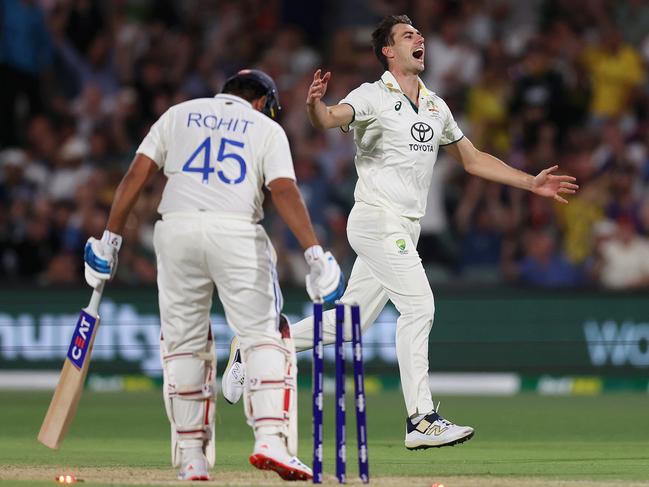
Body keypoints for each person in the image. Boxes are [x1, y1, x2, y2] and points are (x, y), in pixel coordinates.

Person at [222, 15, 578, 450]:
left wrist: (530, 182)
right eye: (408, 35)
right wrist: (315, 105)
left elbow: (472, 158)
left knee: (347, 326)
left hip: (403, 227)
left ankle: (254, 343)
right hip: (376, 219)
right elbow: (331, 117)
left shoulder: (435, 105)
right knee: (420, 304)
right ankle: (420, 419)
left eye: (419, 34)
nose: (419, 38)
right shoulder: (372, 95)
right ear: (388, 52)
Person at [83, 69, 344, 481]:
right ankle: (270, 440)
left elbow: (136, 176)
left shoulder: (178, 114)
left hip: (175, 230)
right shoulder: (264, 127)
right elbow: (284, 190)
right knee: (264, 335)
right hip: (236, 231)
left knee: (184, 344)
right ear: (262, 102)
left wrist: (109, 241)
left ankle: (192, 457)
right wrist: (316, 254)